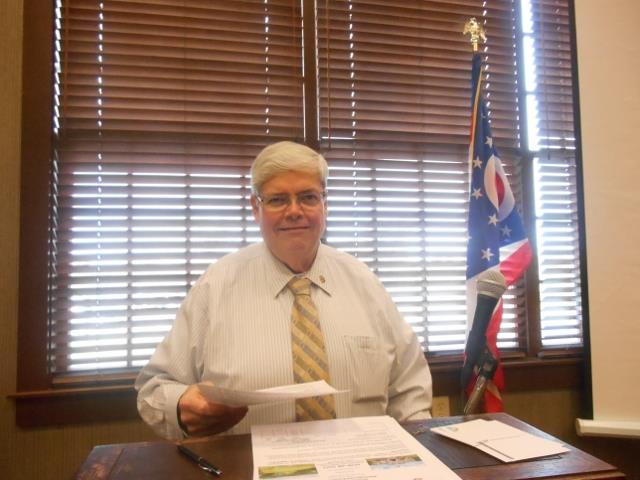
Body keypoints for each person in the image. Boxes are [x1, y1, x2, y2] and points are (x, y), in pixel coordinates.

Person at [135, 141, 433, 440]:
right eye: (278, 200)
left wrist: (417, 448)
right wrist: (182, 407)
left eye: (308, 197)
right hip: (244, 464)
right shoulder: (214, 288)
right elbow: (155, 388)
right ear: (256, 208)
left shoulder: (365, 283)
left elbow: (410, 389)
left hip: (361, 460)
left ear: (324, 204)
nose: (294, 211)